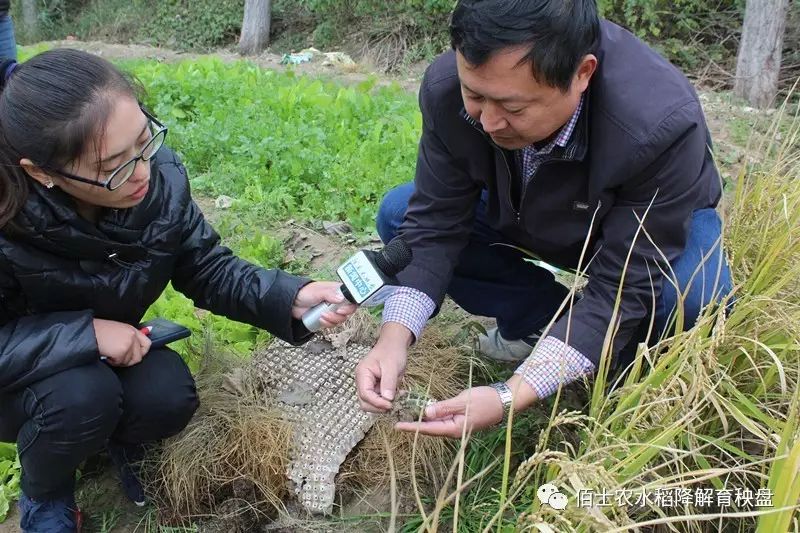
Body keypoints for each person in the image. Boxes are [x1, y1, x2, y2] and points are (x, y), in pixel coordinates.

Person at [0, 49, 356, 532]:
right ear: (42, 173)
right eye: (114, 165)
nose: (142, 171)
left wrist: (289, 296)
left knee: (167, 396)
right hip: (21, 380)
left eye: (144, 141)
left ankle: (115, 443)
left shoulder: (156, 179)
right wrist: (86, 334)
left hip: (112, 351)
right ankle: (46, 493)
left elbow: (204, 265)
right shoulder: (8, 222)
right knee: (80, 397)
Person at [356, 0, 732, 437]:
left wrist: (511, 394)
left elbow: (628, 281)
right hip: (525, 209)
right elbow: (434, 223)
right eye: (475, 96)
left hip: (642, 231)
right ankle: (542, 324)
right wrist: (394, 337)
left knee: (693, 294)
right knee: (400, 214)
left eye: (513, 109)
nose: (489, 122)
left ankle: (621, 363)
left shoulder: (658, 123)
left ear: (583, 74)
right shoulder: (447, 90)